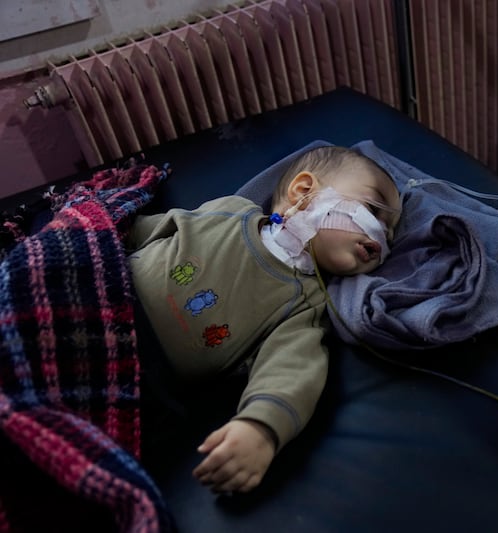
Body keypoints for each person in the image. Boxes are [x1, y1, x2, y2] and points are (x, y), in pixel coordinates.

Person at [126, 145, 402, 494]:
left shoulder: (307, 304)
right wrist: (99, 227)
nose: (382, 235)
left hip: (142, 377)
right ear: (304, 192)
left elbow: (290, 372)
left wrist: (261, 430)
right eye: (374, 211)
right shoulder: (229, 213)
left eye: (390, 233)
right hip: (103, 284)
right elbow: (152, 228)